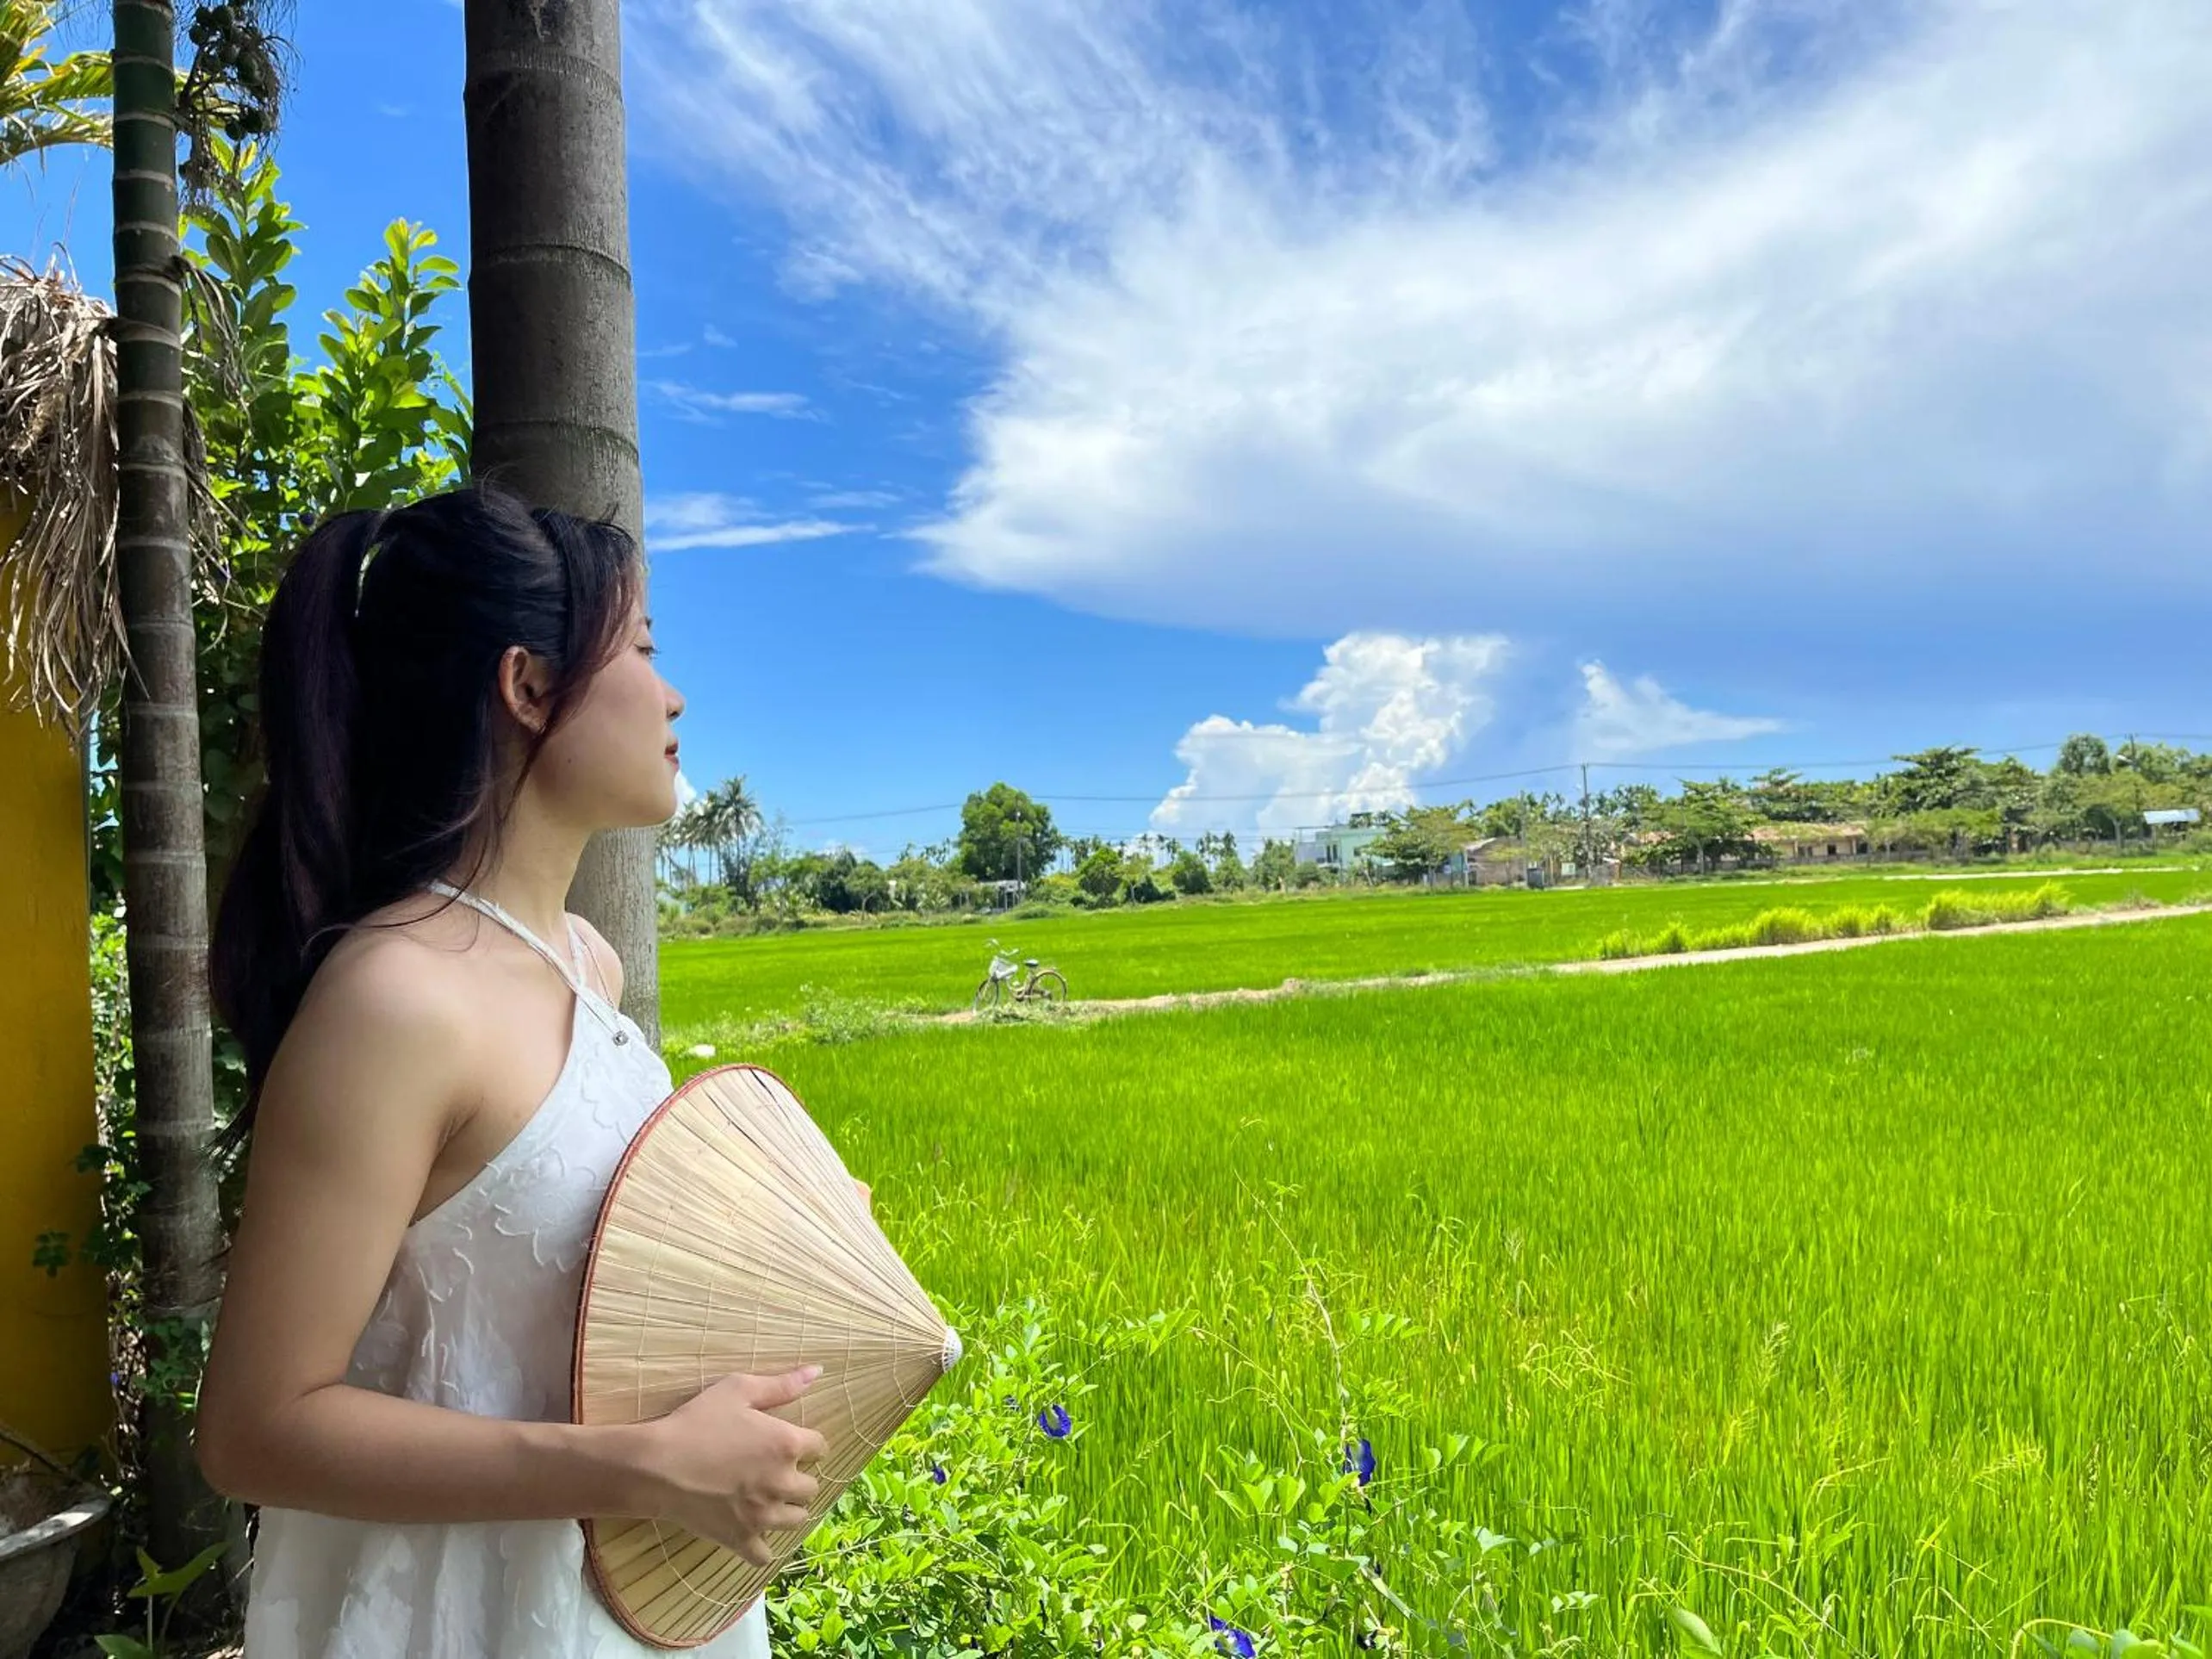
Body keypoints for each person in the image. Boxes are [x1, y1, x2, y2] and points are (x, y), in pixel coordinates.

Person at [197, 485, 830, 1657]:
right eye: (641, 647)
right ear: (528, 684)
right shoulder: (395, 999)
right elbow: (252, 1428)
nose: (673, 690)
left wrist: (777, 1261)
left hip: (628, 1594)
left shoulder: (584, 962)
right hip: (462, 1616)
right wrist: (638, 1467)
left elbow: (571, 1291)